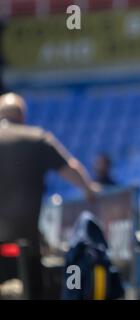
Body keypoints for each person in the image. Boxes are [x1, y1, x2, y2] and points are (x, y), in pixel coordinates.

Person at [0, 92, 100, 299]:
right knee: (32, 289)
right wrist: (89, 190)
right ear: (22, 117)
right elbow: (71, 168)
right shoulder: (37, 138)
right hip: (25, 240)